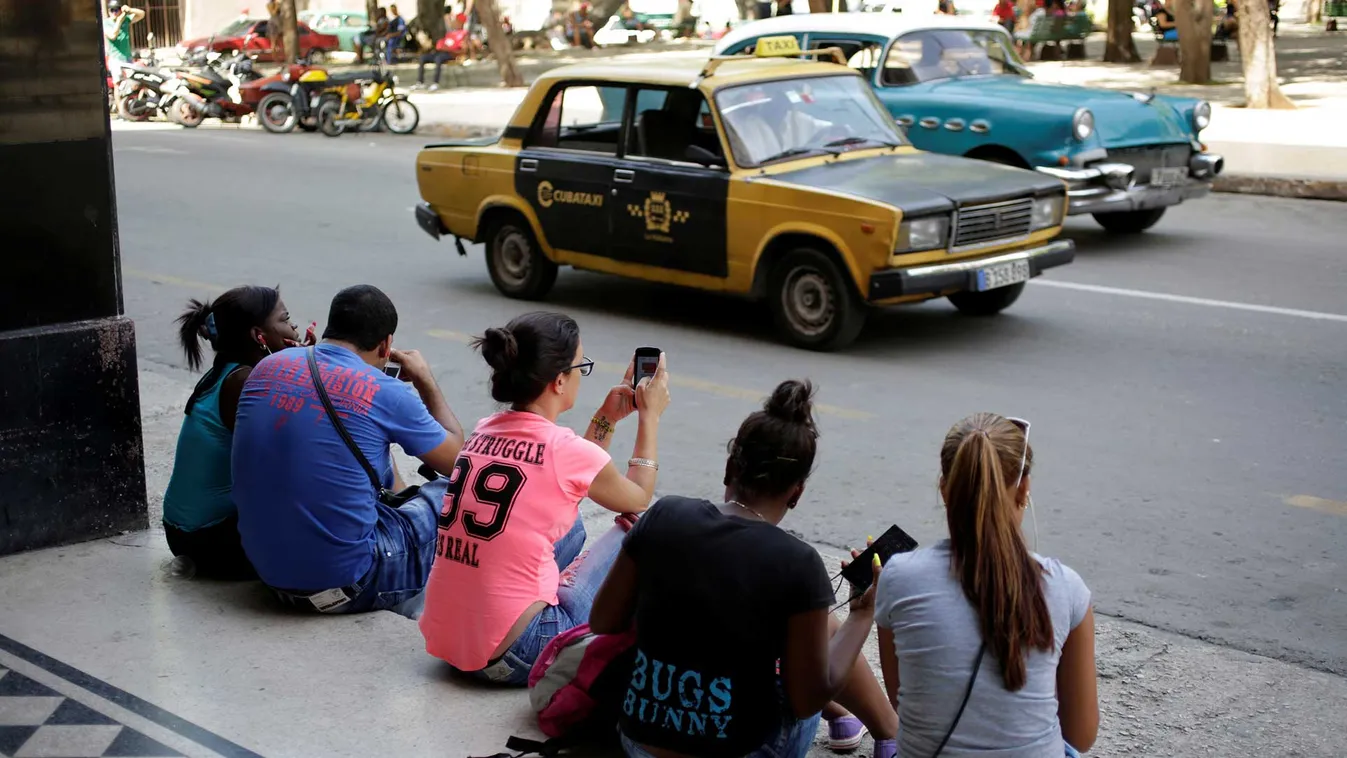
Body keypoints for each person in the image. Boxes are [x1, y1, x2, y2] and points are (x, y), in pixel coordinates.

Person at [591, 381, 900, 758]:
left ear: (729, 467)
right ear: (797, 492)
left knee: (805, 633)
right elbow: (807, 703)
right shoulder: (797, 563)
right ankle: (890, 735)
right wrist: (862, 614)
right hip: (744, 750)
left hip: (638, 742)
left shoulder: (664, 515)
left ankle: (868, 726)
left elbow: (603, 620)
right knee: (821, 638)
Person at [419, 312, 670, 685]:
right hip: (519, 651)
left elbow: (578, 478)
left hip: (449, 641)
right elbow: (637, 497)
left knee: (572, 527)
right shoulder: (562, 450)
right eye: (580, 367)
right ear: (558, 381)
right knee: (638, 530)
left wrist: (607, 417)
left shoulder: (484, 431)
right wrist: (650, 417)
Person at [231, 285, 466, 617]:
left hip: (269, 575)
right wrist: (426, 380)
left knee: (367, 456)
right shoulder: (387, 391)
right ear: (386, 345)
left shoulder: (266, 368)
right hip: (348, 585)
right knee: (457, 496)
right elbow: (462, 464)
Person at [874, 413, 1098, 757]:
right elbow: (1080, 735)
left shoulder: (898, 577)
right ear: (1023, 490)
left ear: (945, 490)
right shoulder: (1065, 587)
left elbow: (907, 706)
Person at [163, 287, 311, 580]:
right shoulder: (243, 383)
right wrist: (308, 370)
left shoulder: (229, 372)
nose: (293, 327)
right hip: (210, 540)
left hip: (187, 533)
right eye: (285, 319)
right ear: (260, 335)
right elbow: (285, 462)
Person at [103, 1, 144, 75]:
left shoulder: (125, 20)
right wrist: (119, 20)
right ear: (109, 11)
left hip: (127, 57)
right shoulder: (106, 23)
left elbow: (142, 14)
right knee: (118, 83)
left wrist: (130, 10)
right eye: (112, 10)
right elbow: (112, 36)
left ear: (120, 10)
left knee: (132, 81)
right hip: (115, 59)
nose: (114, 13)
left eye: (117, 10)